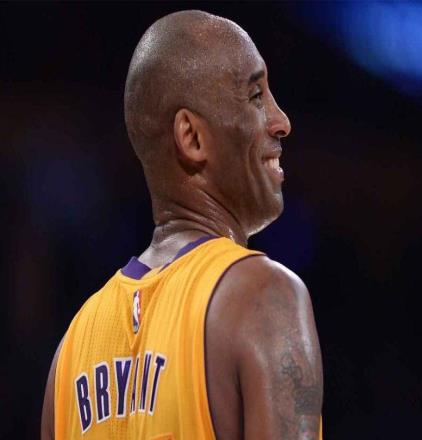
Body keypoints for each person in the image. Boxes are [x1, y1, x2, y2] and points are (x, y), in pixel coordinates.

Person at [41, 10, 323, 439]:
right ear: (191, 137)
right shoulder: (264, 298)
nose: (281, 121)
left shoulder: (69, 356)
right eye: (255, 96)